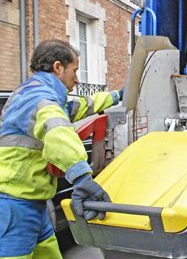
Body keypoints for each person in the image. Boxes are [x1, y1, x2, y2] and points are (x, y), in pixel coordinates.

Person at [0, 39, 122, 258]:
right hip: (14, 205)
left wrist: (118, 95)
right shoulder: (40, 99)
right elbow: (57, 132)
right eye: (74, 71)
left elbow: (84, 106)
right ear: (58, 67)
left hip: (32, 203)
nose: (76, 79)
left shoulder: (37, 95)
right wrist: (82, 177)